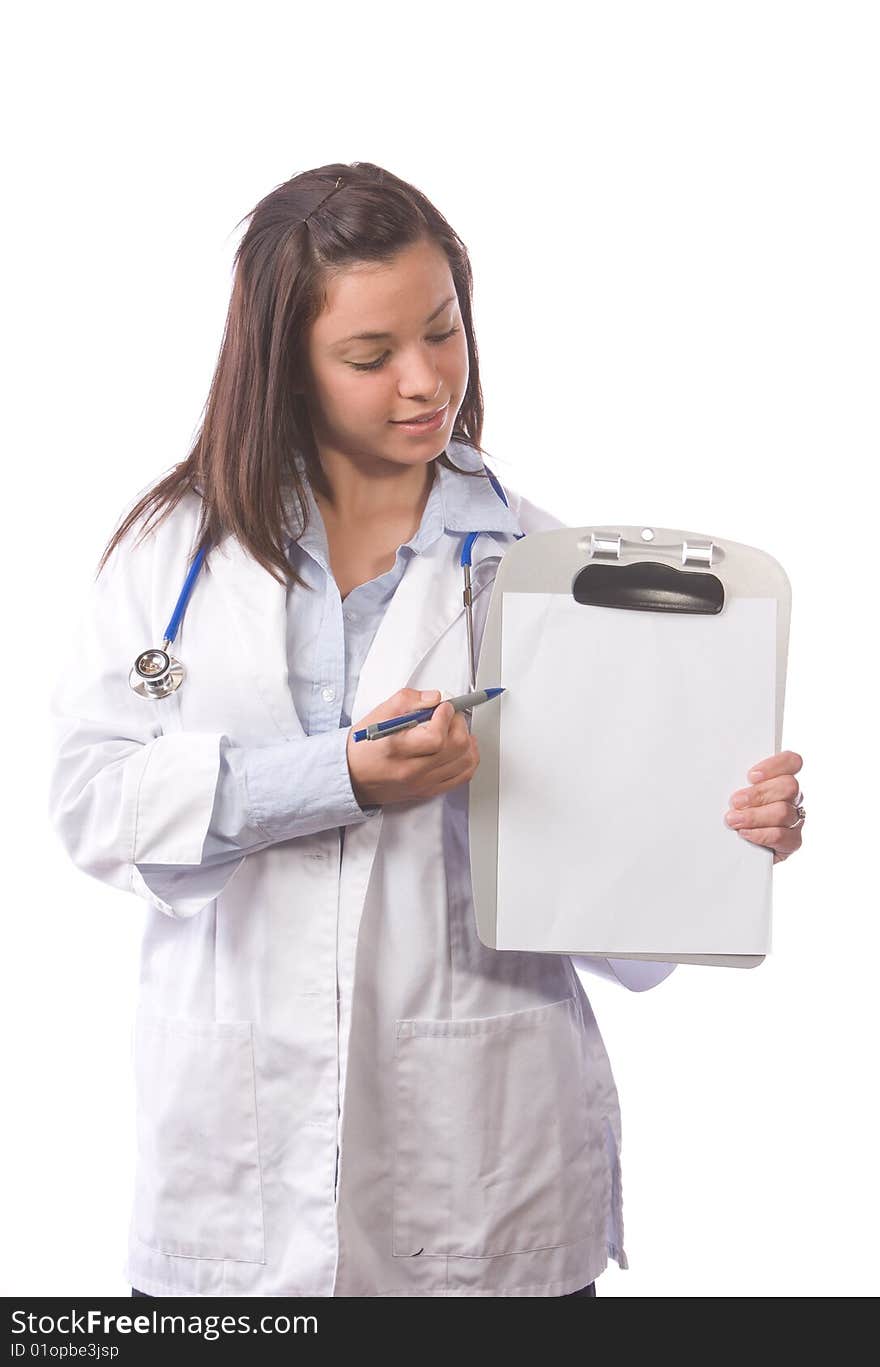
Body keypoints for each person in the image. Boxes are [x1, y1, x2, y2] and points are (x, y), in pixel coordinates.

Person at [48, 162, 806, 1299]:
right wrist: (337, 774)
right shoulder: (171, 556)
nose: (424, 382)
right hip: (230, 1165)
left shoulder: (549, 576)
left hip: (485, 1160)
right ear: (285, 365)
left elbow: (620, 900)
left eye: (443, 331)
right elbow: (93, 804)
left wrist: (721, 830)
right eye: (369, 356)